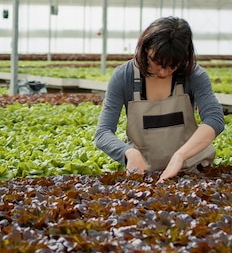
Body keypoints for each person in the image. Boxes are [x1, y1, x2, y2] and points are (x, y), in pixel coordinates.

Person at [94, 17, 224, 183]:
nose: (163, 72)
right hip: (144, 177)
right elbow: (102, 132)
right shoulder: (124, 77)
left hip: (192, 173)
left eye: (173, 66)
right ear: (145, 49)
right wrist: (128, 152)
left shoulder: (193, 75)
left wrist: (180, 155)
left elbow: (214, 119)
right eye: (157, 63)